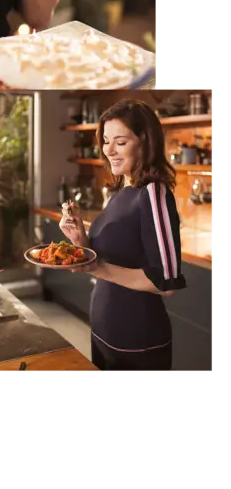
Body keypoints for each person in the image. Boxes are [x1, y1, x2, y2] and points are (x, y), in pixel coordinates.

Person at [59, 100, 187, 376]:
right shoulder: (122, 190)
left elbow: (166, 282)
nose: (109, 150)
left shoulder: (154, 194)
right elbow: (110, 259)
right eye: (106, 141)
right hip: (105, 330)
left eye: (120, 141)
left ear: (144, 141)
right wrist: (80, 240)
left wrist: (96, 267)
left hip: (138, 340)